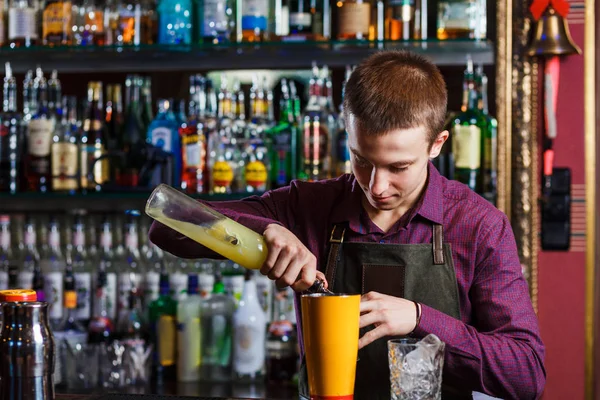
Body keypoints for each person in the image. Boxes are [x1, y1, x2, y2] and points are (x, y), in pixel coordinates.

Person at [149, 50, 546, 400]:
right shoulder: (311, 205)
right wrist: (263, 230)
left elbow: (525, 374)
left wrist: (423, 321)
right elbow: (167, 224)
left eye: (398, 167)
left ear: (437, 144)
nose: (376, 186)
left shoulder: (478, 224)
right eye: (361, 160)